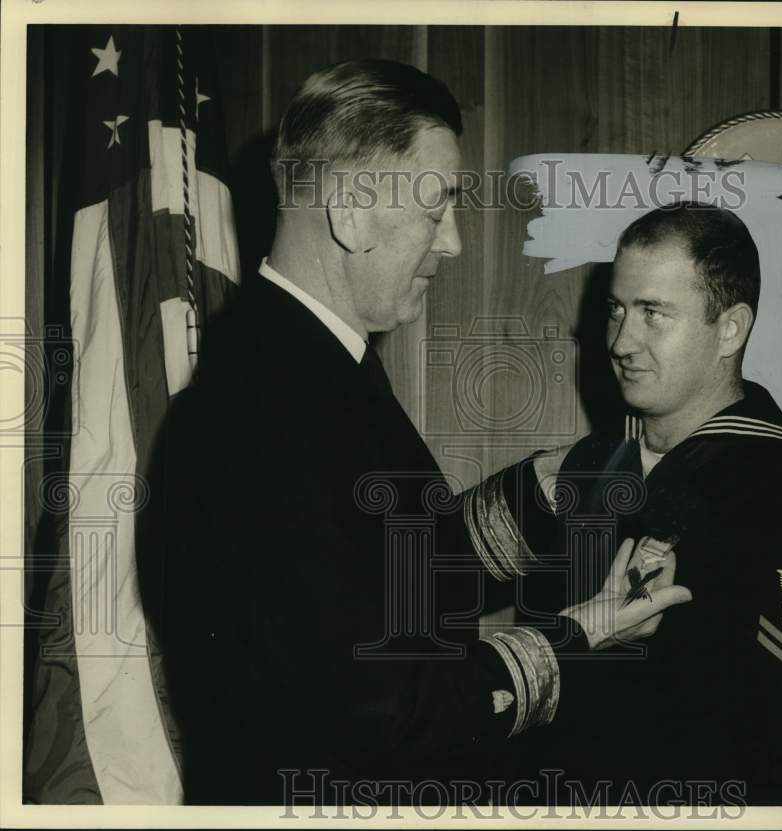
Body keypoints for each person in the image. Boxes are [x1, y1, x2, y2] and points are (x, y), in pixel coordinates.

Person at [136, 59, 691, 807]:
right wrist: (579, 635)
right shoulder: (274, 405)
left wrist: (547, 488)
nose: (454, 242)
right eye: (437, 208)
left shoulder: (309, 366)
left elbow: (384, 580)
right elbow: (390, 704)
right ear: (350, 209)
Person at [493, 202, 782, 806]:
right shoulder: (585, 468)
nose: (620, 340)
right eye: (616, 309)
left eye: (653, 314)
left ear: (730, 329)